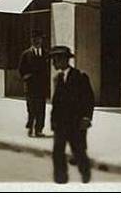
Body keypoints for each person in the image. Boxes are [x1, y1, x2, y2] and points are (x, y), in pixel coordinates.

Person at [48, 45, 94, 184]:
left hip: (76, 124)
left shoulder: (80, 77)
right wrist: (53, 122)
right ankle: (60, 182)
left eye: (55, 60)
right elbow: (56, 103)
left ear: (63, 60)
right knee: (57, 154)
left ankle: (86, 178)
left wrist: (86, 118)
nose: (53, 63)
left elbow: (88, 99)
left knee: (79, 154)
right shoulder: (58, 78)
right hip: (61, 125)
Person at [18, 30, 49, 136]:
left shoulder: (45, 54)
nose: (37, 41)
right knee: (31, 108)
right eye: (34, 39)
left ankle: (39, 129)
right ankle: (30, 126)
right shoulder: (26, 54)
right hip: (30, 86)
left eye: (39, 39)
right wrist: (25, 76)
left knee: (41, 108)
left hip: (42, 86)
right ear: (31, 41)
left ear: (42, 40)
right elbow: (21, 69)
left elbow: (48, 70)